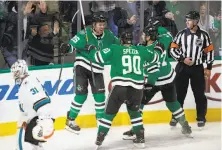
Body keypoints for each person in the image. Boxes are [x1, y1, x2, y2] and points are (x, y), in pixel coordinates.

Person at [86, 31, 159, 149]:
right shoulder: (140, 50)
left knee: (108, 114)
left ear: (121, 41)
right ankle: (140, 139)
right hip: (137, 89)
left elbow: (97, 57)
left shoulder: (115, 48)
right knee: (135, 114)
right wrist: (157, 50)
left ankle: (99, 140)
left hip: (120, 87)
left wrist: (91, 49)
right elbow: (155, 58)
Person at [122, 24, 193, 140]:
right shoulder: (162, 41)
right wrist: (155, 27)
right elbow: (168, 34)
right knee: (172, 103)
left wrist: (149, 84)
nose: (143, 36)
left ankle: (137, 129)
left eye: (145, 35)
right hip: (168, 78)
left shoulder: (148, 51)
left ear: (149, 37)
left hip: (154, 81)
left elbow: (153, 71)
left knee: (138, 105)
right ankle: (186, 126)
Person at [61, 12, 120, 134]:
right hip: (82, 65)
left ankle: (100, 121)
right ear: (94, 24)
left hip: (97, 68)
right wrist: (66, 47)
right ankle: (70, 120)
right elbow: (72, 45)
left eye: (103, 24)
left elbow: (119, 45)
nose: (102, 26)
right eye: (99, 24)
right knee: (81, 95)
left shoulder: (109, 35)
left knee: (100, 96)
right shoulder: (85, 33)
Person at [170, 11, 214, 128]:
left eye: (189, 20)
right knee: (179, 94)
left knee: (199, 94)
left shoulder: (204, 35)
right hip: (182, 67)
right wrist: (182, 59)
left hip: (197, 69)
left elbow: (209, 51)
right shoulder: (181, 34)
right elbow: (172, 49)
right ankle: (175, 117)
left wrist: (208, 67)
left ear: (195, 21)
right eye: (187, 20)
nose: (187, 22)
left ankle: (201, 118)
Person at [11, 60, 54, 150]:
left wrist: (44, 119)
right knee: (34, 145)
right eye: (14, 72)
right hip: (31, 118)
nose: (15, 74)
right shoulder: (25, 83)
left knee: (22, 143)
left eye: (17, 72)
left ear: (23, 71)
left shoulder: (28, 82)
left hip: (37, 118)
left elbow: (40, 100)